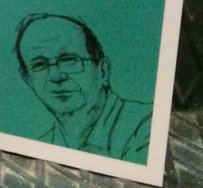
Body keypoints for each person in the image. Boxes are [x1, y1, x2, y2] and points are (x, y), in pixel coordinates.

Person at [14, 13, 152, 163]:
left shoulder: (147, 126)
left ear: (102, 71)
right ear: (28, 79)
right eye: (39, 65)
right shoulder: (41, 146)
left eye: (69, 60)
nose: (56, 76)